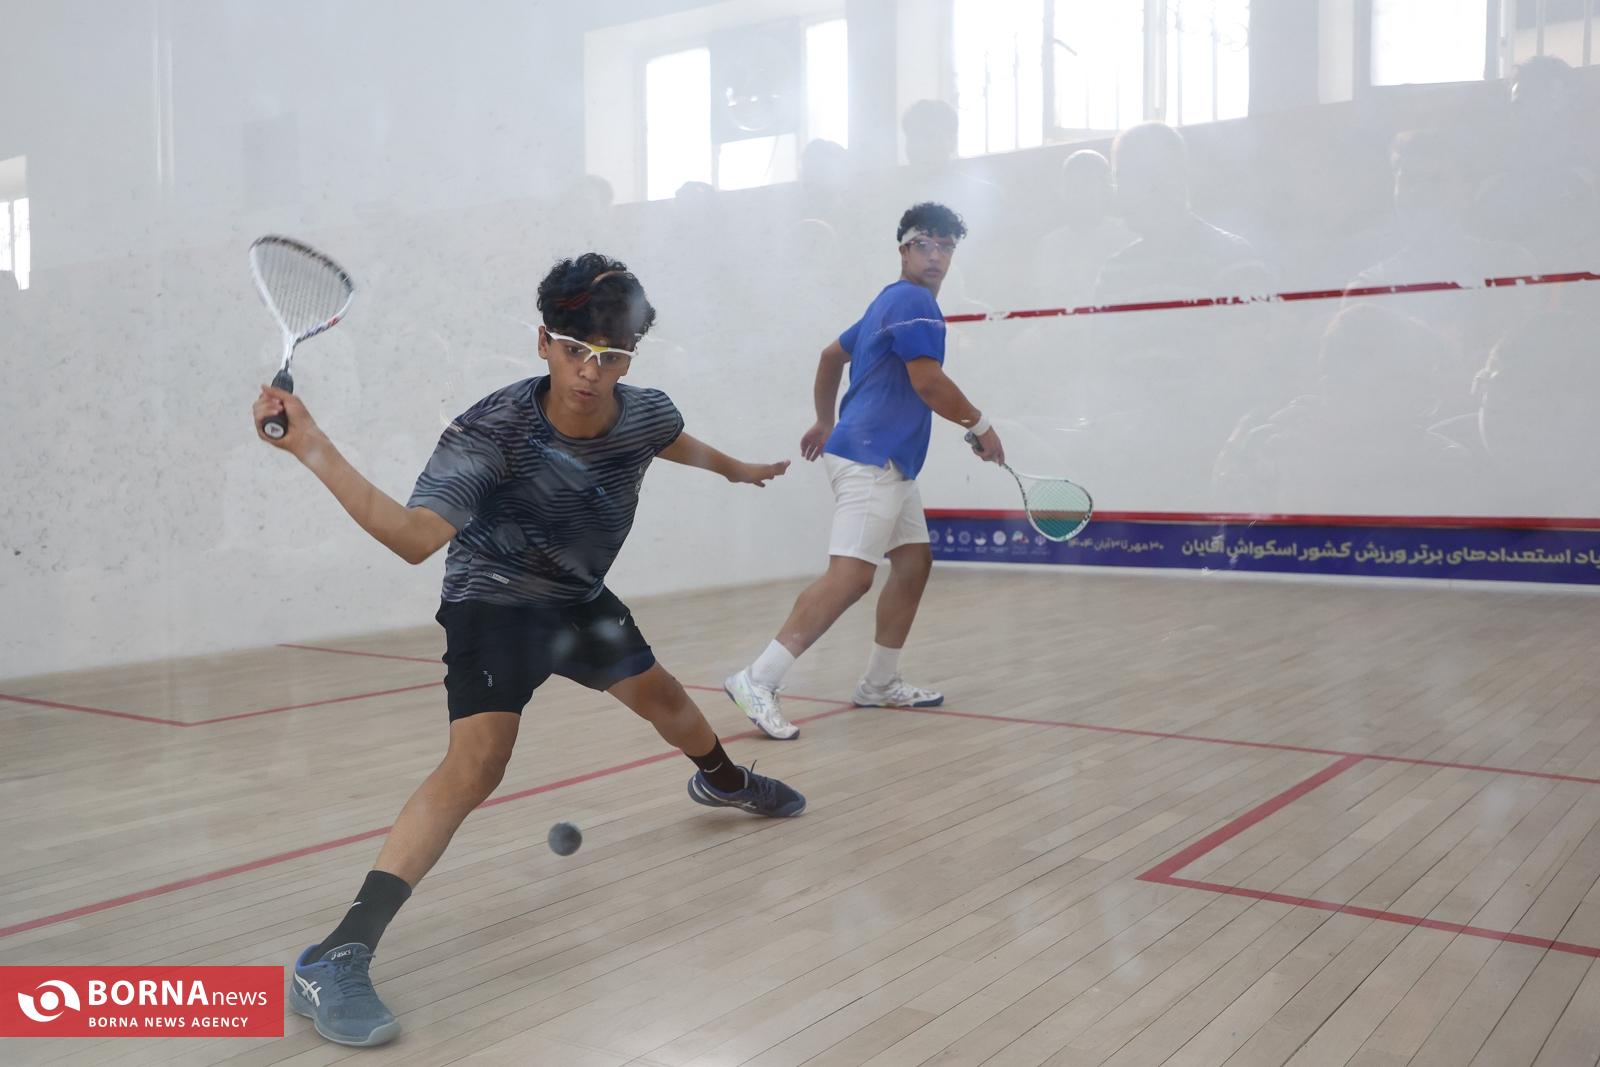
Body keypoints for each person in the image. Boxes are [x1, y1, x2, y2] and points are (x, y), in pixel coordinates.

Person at [252, 253, 805, 1048]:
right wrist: (312, 445)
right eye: (574, 350)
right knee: (477, 763)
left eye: (610, 357)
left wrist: (735, 470)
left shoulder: (645, 412)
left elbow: (670, 439)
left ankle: (722, 781)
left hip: (577, 597)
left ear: (630, 359)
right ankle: (334, 955)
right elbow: (413, 538)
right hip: (494, 602)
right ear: (544, 342)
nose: (589, 372)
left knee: (666, 698)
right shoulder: (491, 433)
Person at [723, 202, 1004, 740]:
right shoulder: (913, 302)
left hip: (886, 458)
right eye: (925, 244)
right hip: (872, 458)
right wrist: (981, 424)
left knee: (914, 562)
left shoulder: (887, 302)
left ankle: (878, 683)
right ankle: (757, 679)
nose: (936, 255)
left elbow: (831, 356)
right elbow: (928, 382)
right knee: (851, 576)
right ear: (903, 249)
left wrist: (825, 420)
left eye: (946, 246)